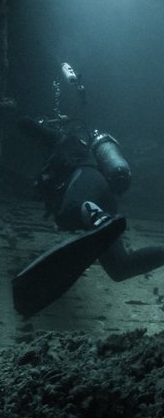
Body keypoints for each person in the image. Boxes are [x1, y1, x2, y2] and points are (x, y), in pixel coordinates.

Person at [13, 111, 164, 316]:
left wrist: (32, 119)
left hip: (86, 183)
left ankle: (98, 217)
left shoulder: (64, 139)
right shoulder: (71, 151)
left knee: (70, 210)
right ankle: (100, 218)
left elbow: (25, 123)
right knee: (120, 268)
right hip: (102, 194)